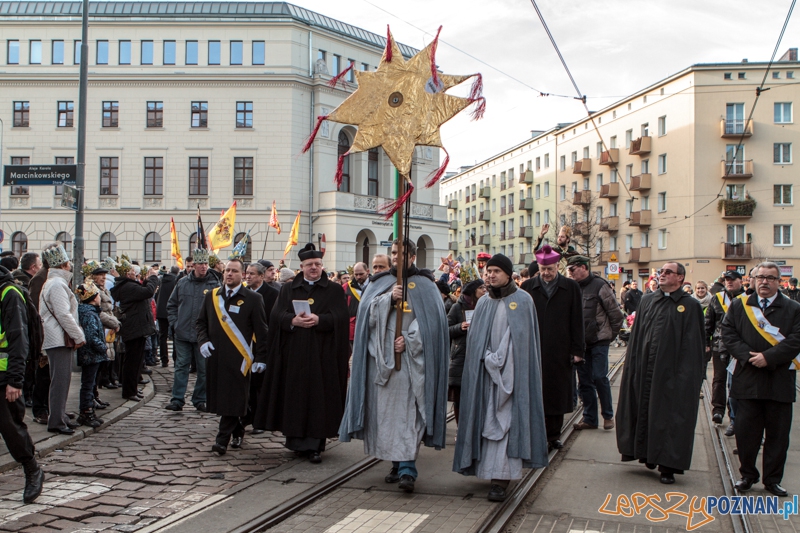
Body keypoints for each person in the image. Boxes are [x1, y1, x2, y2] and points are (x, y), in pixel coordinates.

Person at [339, 238, 449, 493]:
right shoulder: (380, 283)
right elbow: (366, 318)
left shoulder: (426, 285)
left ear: (413, 257)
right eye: (394, 253)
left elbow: (434, 325)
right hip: (383, 362)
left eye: (402, 253)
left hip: (412, 363)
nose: (397, 257)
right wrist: (388, 299)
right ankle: (397, 463)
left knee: (410, 415)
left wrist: (410, 341)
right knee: (388, 416)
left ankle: (408, 469)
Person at [453, 254, 549, 502]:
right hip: (486, 376)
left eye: (496, 271)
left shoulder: (523, 301)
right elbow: (476, 340)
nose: (490, 275)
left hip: (512, 376)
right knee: (485, 420)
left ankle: (501, 478)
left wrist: (501, 361)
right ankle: (487, 469)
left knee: (508, 423)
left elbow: (524, 343)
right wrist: (486, 359)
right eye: (488, 271)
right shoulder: (483, 303)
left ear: (508, 274)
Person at [256, 244, 349, 463]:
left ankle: (315, 445)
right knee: (294, 397)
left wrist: (320, 320)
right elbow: (276, 316)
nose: (313, 268)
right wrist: (292, 320)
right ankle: (296, 442)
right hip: (294, 354)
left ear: (322, 266)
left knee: (318, 398)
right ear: (302, 267)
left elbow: (341, 318)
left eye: (317, 264)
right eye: (309, 265)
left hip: (322, 355)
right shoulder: (288, 289)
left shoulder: (334, 290)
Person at [616, 262, 705, 484]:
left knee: (669, 416)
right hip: (644, 368)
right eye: (661, 272)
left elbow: (693, 344)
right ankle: (645, 453)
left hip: (671, 372)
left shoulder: (690, 305)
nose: (662, 275)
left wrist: (688, 376)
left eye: (668, 272)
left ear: (680, 278)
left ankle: (667, 465)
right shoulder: (648, 300)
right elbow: (638, 336)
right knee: (644, 410)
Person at [722, 262, 800, 497]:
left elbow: (796, 340)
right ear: (753, 280)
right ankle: (747, 476)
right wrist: (749, 357)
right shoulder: (740, 306)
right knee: (746, 434)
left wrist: (768, 358)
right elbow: (728, 334)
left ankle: (772, 480)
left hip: (779, 381)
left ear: (779, 282)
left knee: (778, 436)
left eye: (770, 278)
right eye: (760, 277)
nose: (764, 282)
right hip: (748, 379)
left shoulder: (793, 308)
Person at [197, 259, 269, 455]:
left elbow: (262, 332)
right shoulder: (212, 296)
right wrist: (203, 341)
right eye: (227, 270)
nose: (229, 274)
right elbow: (201, 322)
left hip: (240, 359)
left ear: (242, 274)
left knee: (232, 397)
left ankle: (221, 441)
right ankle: (238, 429)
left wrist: (261, 358)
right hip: (216, 358)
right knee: (224, 399)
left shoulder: (253, 299)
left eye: (234, 271)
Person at [521, 245, 585, 450]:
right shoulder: (528, 287)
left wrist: (577, 350)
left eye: (550, 269)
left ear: (558, 266)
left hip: (560, 349)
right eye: (543, 269)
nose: (546, 273)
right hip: (534, 348)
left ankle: (554, 434)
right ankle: (535, 432)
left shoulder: (571, 287)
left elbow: (577, 320)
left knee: (557, 394)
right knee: (535, 392)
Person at [0, 264, 44, 504]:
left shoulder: (9, 293)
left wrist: (15, 380)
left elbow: (19, 338)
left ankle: (32, 469)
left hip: (5, 375)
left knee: (11, 428)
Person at [568, 255, 623, 431]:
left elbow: (616, 315)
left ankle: (608, 415)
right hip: (581, 343)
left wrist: (609, 336)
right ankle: (590, 418)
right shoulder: (572, 287)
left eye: (572, 269)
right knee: (584, 382)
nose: (570, 273)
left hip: (599, 340)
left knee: (599, 377)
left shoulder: (600, 285)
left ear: (583, 268)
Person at [39, 244, 86, 435]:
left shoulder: (53, 282)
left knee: (61, 380)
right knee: (60, 381)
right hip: (58, 338)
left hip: (57, 337)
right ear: (64, 265)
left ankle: (60, 416)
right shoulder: (57, 284)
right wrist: (78, 336)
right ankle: (57, 421)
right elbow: (63, 314)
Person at [166, 249, 220, 411]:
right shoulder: (182, 283)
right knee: (181, 366)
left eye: (206, 263)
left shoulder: (214, 284)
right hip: (182, 333)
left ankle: (200, 399)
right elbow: (171, 305)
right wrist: (175, 324)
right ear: (194, 265)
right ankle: (177, 399)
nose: (204, 266)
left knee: (203, 369)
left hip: (204, 336)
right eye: (201, 263)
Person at [110, 260, 160, 401]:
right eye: (132, 271)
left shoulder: (129, 285)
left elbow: (142, 291)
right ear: (127, 274)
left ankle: (133, 388)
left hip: (137, 328)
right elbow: (148, 292)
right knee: (132, 362)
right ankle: (129, 391)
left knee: (136, 361)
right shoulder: (128, 286)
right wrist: (153, 278)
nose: (134, 273)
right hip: (134, 328)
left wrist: (147, 281)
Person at [705, 270, 746, 436]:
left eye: (732, 279)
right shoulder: (717, 298)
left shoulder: (747, 299)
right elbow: (709, 322)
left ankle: (735, 417)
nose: (729, 282)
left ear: (740, 281)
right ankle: (718, 410)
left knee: (736, 383)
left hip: (740, 347)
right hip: (719, 345)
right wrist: (706, 342)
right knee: (719, 379)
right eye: (726, 280)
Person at [242, 261, 279, 434]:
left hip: (264, 345)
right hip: (244, 344)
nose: (248, 276)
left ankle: (259, 419)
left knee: (260, 384)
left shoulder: (273, 294)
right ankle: (245, 414)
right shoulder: (243, 293)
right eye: (247, 273)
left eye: (252, 274)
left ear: (261, 276)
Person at [447, 278, 486, 425]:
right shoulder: (457, 308)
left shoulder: (486, 305)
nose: (484, 290)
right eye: (481, 288)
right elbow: (445, 329)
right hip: (461, 358)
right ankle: (461, 428)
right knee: (460, 398)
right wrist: (459, 327)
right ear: (473, 291)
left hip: (480, 354)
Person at [75, 282, 108, 428]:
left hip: (91, 354)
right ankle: (86, 412)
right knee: (88, 384)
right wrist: (103, 347)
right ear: (94, 298)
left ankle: (89, 410)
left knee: (90, 383)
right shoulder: (89, 314)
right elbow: (91, 336)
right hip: (91, 355)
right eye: (98, 295)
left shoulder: (90, 312)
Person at [156, 266, 179, 368]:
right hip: (172, 311)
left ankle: (164, 359)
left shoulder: (162, 280)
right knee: (175, 336)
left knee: (162, 336)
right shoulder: (176, 281)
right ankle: (175, 359)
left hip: (161, 311)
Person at [344, 262, 370, 348]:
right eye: (356, 274)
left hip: (370, 327)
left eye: (361, 274)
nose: (358, 277)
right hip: (353, 328)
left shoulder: (375, 285)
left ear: (367, 271)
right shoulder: (346, 287)